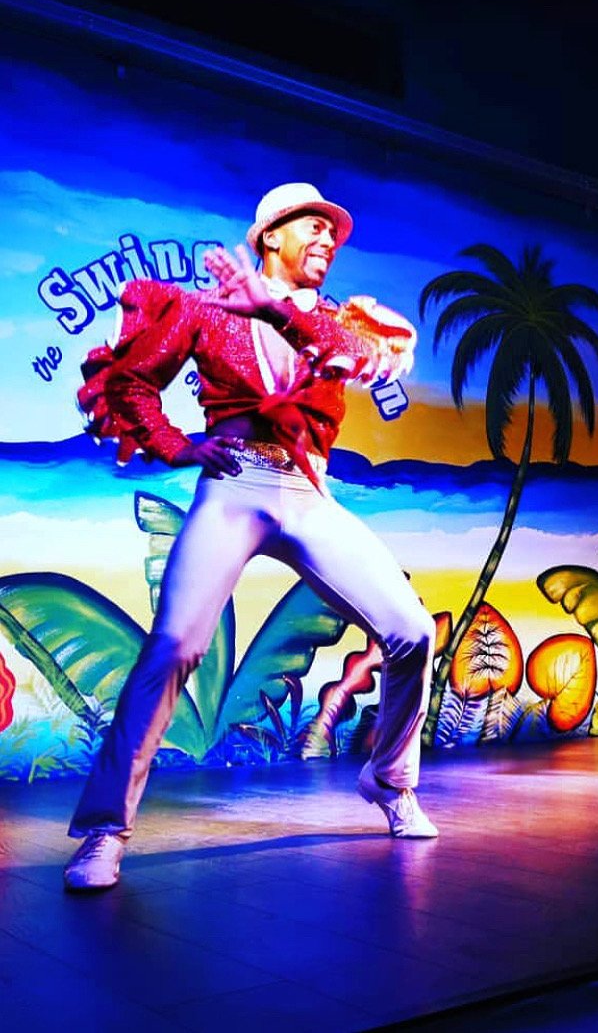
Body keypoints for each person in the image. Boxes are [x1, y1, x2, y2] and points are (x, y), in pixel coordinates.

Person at [64, 183, 438, 892]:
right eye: (313, 227)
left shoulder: (341, 322)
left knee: (412, 631)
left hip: (308, 493)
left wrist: (271, 308)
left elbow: (362, 359)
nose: (327, 240)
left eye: (333, 233)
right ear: (270, 235)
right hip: (233, 486)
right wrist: (176, 445)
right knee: (176, 646)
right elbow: (133, 383)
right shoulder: (203, 310)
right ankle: (104, 830)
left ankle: (390, 781)